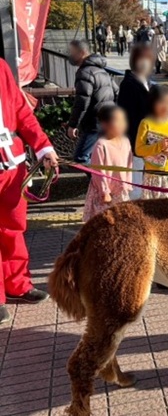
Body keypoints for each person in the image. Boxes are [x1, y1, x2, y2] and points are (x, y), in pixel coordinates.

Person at [0, 58, 59, 324]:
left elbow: (22, 112)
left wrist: (43, 146)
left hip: (11, 163)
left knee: (14, 228)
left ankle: (18, 284)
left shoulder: (0, 67)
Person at [67, 39, 119, 165]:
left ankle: (101, 182)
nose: (69, 55)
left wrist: (73, 124)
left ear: (82, 52)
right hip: (108, 119)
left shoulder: (85, 72)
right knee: (100, 156)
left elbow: (82, 101)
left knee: (81, 157)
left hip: (94, 122)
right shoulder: (102, 71)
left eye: (72, 52)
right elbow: (116, 92)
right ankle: (101, 182)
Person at [135, 85, 168, 198]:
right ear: (152, 103)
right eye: (161, 102)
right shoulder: (146, 123)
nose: (166, 107)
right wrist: (159, 146)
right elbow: (139, 150)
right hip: (152, 177)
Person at [83, 104, 132, 222]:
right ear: (105, 124)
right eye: (117, 120)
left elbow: (129, 164)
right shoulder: (101, 145)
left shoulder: (125, 141)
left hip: (121, 190)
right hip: (105, 193)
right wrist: (104, 192)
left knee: (121, 219)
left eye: (123, 120)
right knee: (104, 221)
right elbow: (98, 172)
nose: (121, 124)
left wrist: (128, 184)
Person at [117, 44, 154, 199]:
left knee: (146, 181)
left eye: (148, 59)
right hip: (135, 142)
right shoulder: (128, 84)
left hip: (149, 142)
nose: (145, 63)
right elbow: (126, 117)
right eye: (142, 59)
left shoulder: (147, 82)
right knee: (136, 185)